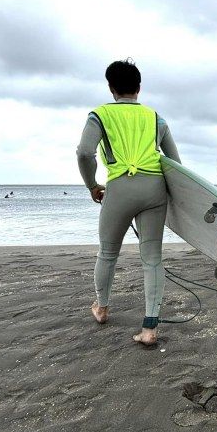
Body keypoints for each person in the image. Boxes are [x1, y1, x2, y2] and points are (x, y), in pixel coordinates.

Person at [76, 59, 181, 347]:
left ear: (111, 88)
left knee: (108, 252)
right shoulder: (156, 118)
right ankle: (149, 328)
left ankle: (102, 308)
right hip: (154, 189)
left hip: (120, 188)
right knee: (152, 257)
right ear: (139, 87)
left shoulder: (99, 115)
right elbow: (175, 163)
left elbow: (85, 153)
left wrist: (92, 185)